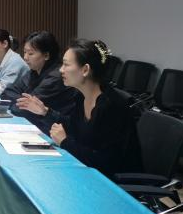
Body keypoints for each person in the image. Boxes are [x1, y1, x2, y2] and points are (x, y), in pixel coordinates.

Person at [16, 39, 142, 176]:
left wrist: (65, 142)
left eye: (66, 65)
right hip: (88, 170)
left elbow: (105, 162)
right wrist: (45, 112)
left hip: (114, 181)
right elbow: (74, 126)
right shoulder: (81, 96)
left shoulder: (111, 106)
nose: (61, 70)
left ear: (85, 70)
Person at [2, 31, 78, 130]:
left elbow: (22, 110)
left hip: (57, 130)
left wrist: (17, 102)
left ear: (46, 55)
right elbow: (7, 92)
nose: (25, 57)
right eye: (24, 52)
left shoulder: (56, 77)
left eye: (30, 53)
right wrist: (23, 101)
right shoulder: (33, 71)